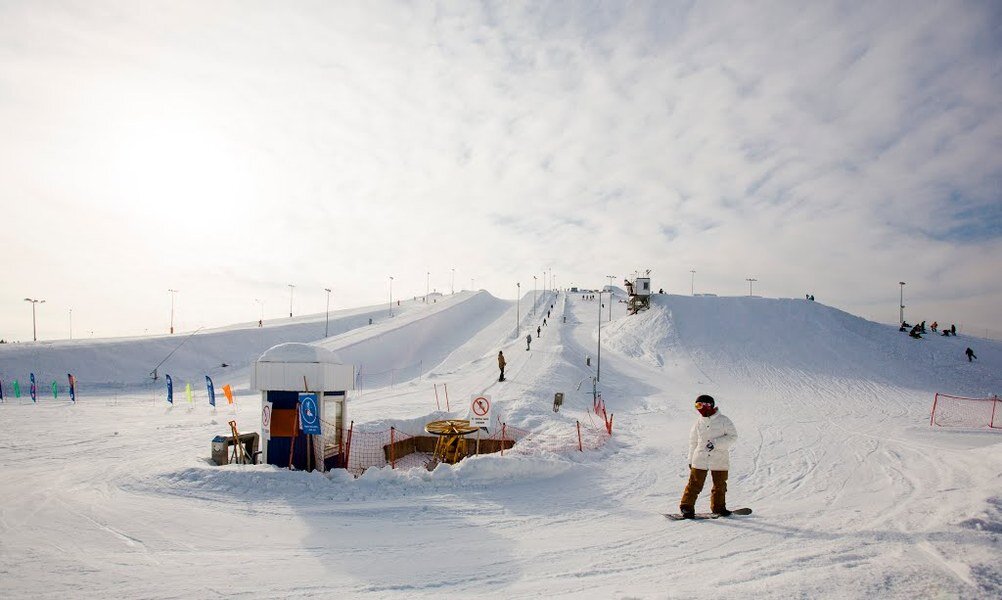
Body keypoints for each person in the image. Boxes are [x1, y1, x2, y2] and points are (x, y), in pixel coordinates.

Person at [679, 394, 738, 518]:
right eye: (696, 406)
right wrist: (690, 459)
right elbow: (693, 442)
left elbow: (733, 436)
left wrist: (716, 444)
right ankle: (686, 508)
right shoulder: (698, 422)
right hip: (700, 458)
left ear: (708, 405)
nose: (698, 409)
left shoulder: (723, 420)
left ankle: (719, 508)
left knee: (720, 485)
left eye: (699, 405)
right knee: (694, 484)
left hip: (719, 458)